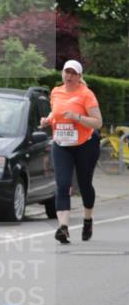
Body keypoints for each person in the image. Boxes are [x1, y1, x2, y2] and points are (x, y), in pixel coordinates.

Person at [40, 59, 102, 244]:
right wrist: (48, 120)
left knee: (84, 185)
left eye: (73, 73)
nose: (69, 76)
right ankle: (63, 228)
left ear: (79, 77)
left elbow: (98, 122)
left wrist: (77, 117)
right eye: (67, 72)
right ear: (62, 74)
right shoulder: (56, 91)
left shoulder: (86, 94)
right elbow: (55, 113)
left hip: (85, 145)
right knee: (62, 184)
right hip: (61, 143)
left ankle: (88, 219)